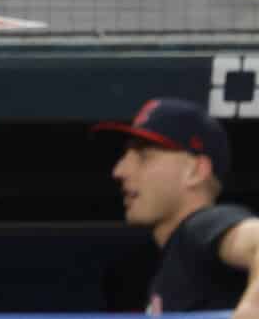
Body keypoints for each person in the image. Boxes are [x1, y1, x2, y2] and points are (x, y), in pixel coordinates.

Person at [97, 99, 259, 312]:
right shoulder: (174, 260)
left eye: (144, 157)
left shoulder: (200, 226)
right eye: (125, 156)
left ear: (196, 171)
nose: (119, 171)